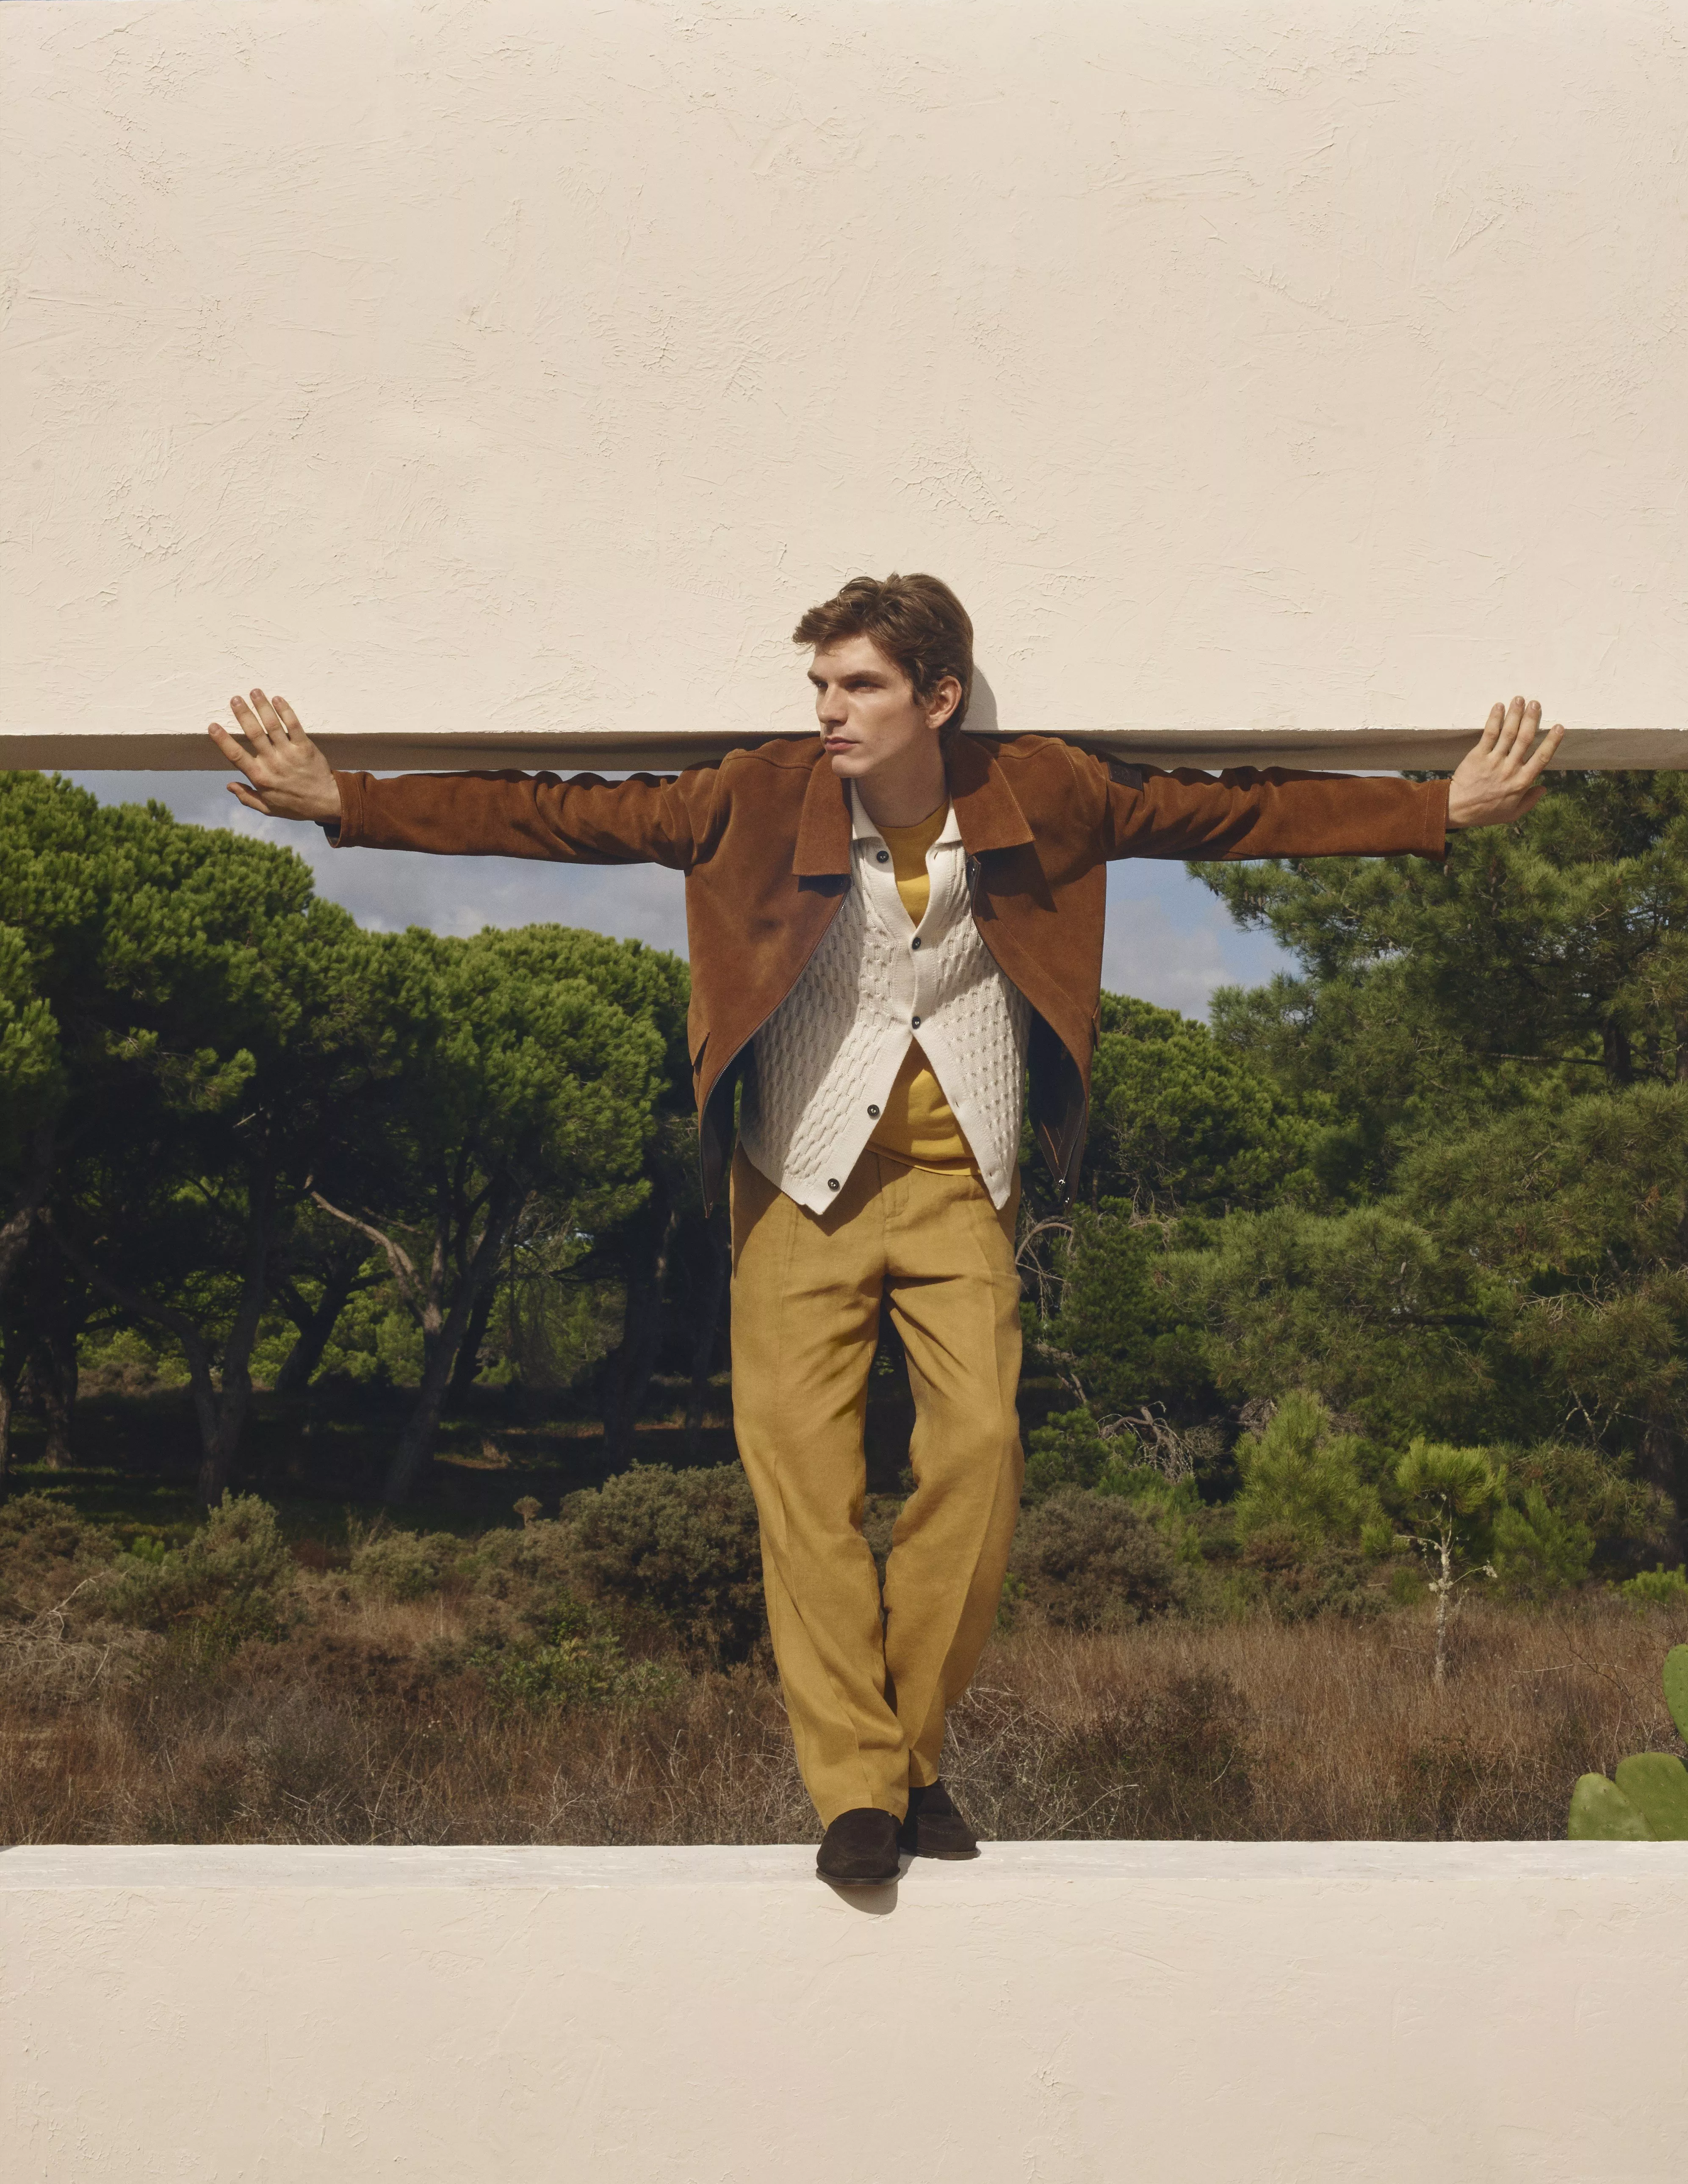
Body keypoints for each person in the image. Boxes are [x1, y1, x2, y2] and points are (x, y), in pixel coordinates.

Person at [210, 572, 1562, 1885]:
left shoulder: (1046, 791)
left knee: (979, 1452)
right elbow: (557, 815)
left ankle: (903, 1752)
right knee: (804, 1487)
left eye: (859, 685)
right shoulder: (752, 796)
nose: (828, 710)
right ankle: (863, 1786)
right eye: (820, 683)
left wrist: (1435, 807)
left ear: (939, 697)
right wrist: (349, 801)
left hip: (964, 1176)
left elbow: (1233, 812)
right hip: (796, 1181)